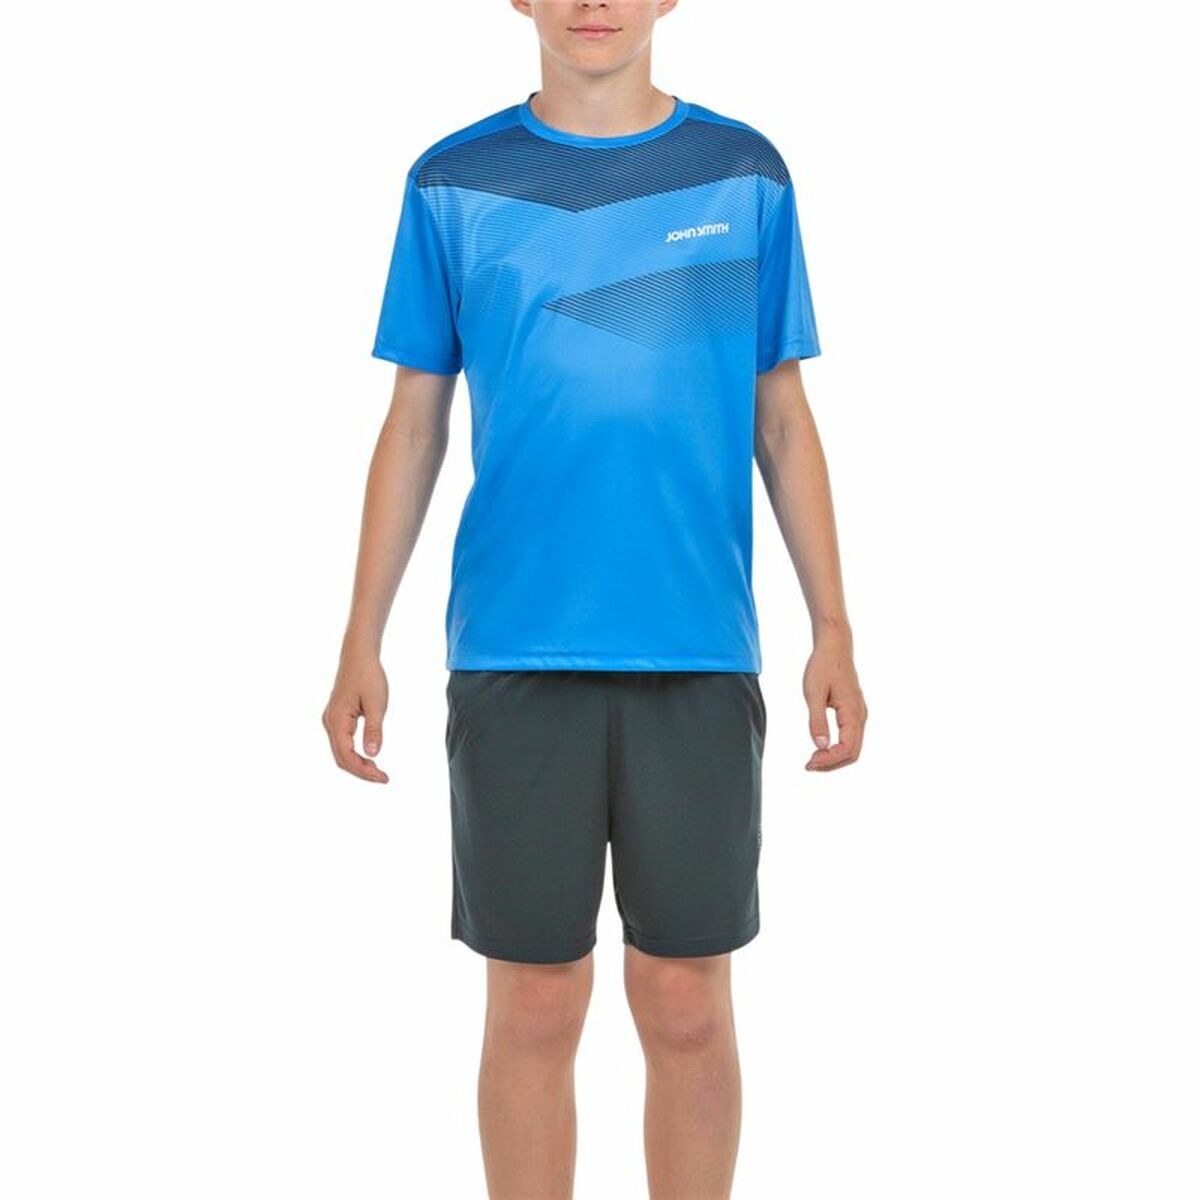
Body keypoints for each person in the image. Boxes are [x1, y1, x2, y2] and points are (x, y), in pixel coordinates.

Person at [322, 1, 867, 1195]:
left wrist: (832, 626)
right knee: (533, 1001)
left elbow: (782, 416)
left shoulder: (744, 174)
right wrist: (362, 637)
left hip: (696, 648)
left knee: (686, 1002)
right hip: (516, 650)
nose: (593, 1)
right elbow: (413, 425)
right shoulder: (454, 183)